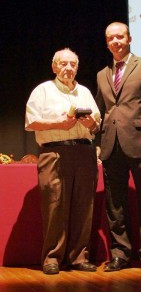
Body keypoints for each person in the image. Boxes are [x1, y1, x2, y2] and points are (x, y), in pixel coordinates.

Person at [95, 22, 141, 272]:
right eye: (111, 38)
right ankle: (120, 253)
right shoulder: (102, 74)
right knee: (115, 204)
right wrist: (96, 140)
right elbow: (102, 111)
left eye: (120, 37)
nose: (115, 41)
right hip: (110, 146)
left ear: (129, 38)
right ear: (106, 43)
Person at [25, 48, 101, 274]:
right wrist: (60, 123)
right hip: (55, 153)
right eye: (64, 63)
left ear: (77, 67)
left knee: (83, 205)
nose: (68, 68)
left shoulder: (85, 92)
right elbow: (30, 123)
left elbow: (97, 125)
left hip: (85, 153)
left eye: (73, 64)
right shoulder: (43, 91)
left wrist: (90, 124)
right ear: (54, 66)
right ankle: (52, 258)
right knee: (55, 205)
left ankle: (78, 256)